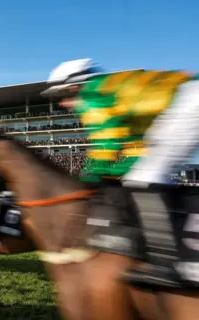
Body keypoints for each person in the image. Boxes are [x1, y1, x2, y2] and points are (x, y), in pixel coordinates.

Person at [41, 58, 199, 289]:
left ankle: (166, 265)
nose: (63, 103)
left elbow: (106, 142)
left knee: (148, 176)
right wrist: (115, 172)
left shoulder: (93, 93)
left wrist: (89, 178)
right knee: (145, 174)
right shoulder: (114, 91)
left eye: (63, 95)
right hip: (187, 97)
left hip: (190, 100)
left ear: (75, 86)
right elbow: (135, 146)